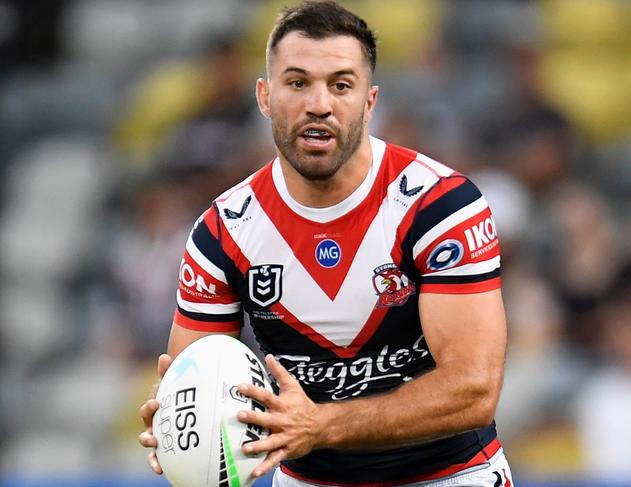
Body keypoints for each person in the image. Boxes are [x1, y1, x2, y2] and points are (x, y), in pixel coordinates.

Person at [139, 1, 513, 485]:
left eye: (341, 85)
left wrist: (321, 426)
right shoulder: (222, 231)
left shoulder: (438, 207)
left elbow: (474, 391)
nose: (319, 104)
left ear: (370, 102)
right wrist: (180, 425)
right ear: (265, 96)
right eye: (297, 83)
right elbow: (197, 373)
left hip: (451, 476)